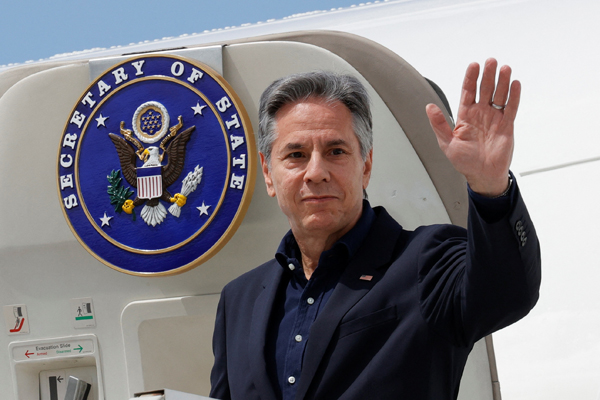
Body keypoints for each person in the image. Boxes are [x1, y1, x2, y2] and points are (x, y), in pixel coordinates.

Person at [210, 59, 541, 400]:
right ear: (268, 173)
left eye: (335, 151)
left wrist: (490, 187)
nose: (316, 172)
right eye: (295, 154)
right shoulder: (239, 300)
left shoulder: (427, 262)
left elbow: (507, 293)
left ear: (365, 165)